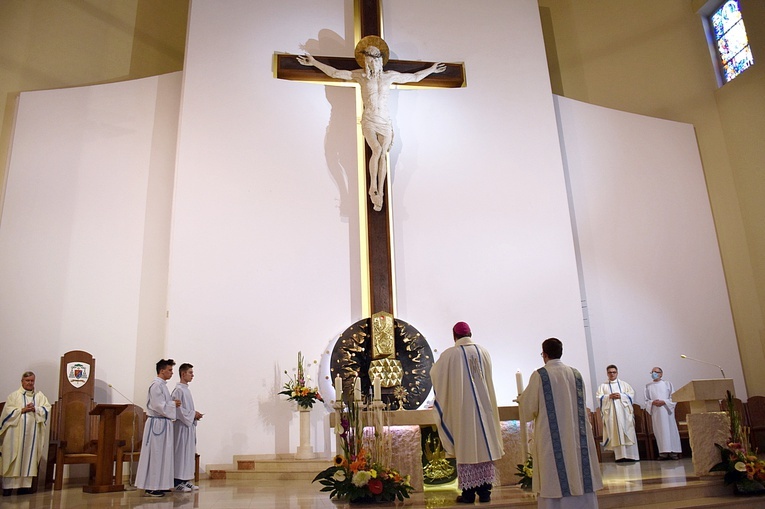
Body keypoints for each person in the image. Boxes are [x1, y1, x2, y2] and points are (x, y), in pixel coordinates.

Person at [297, 36, 446, 212]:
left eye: (376, 60)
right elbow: (336, 73)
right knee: (376, 151)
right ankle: (372, 187)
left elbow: (413, 77)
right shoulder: (360, 76)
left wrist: (432, 70)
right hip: (369, 119)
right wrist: (314, 62)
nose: (374, 64)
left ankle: (379, 191)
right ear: (366, 62)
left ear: (381, 61)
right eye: (370, 60)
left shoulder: (389, 77)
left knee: (383, 154)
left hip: (385, 121)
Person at [519, 338, 602, 509]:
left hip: (551, 438)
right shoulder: (576, 374)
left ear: (545, 355)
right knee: (579, 471)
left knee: (554, 478)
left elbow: (529, 409)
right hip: (576, 435)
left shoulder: (540, 375)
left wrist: (521, 400)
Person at [430, 321, 503, 504]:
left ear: (454, 336)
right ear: (470, 333)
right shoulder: (483, 352)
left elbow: (435, 375)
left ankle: (469, 495)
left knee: (467, 447)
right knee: (484, 447)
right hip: (484, 411)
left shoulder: (449, 355)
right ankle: (485, 493)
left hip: (463, 412)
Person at [0, 371, 51, 497]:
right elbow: (7, 413)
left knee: (29, 458)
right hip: (14, 434)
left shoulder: (40, 396)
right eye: (27, 381)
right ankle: (8, 488)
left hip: (32, 436)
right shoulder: (14, 396)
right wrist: (22, 410)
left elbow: (46, 409)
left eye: (32, 381)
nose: (30, 383)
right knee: (12, 458)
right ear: (22, 381)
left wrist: (36, 409)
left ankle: (24, 487)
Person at [135, 359, 181, 497]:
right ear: (162, 370)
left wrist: (172, 404)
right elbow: (158, 405)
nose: (172, 373)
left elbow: (164, 404)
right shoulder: (155, 386)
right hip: (157, 424)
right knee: (156, 455)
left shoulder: (163, 386)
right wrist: (173, 404)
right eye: (170, 370)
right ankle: (152, 486)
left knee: (164, 455)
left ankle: (161, 484)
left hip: (164, 423)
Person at [596, 364, 639, 463]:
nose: (612, 374)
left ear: (617, 373)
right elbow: (599, 397)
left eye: (614, 372)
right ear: (607, 373)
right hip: (612, 415)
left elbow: (631, 395)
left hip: (624, 414)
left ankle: (631, 455)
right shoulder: (603, 386)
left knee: (628, 431)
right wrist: (608, 397)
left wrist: (621, 396)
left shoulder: (624, 384)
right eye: (610, 372)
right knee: (615, 432)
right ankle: (620, 456)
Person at [172, 363, 203, 492]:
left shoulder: (186, 390)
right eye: (190, 372)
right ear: (183, 374)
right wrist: (192, 414)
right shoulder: (178, 390)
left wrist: (194, 415)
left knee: (187, 453)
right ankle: (177, 482)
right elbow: (177, 410)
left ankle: (185, 480)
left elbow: (186, 409)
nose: (192, 375)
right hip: (181, 427)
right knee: (180, 454)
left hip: (188, 426)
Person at [644, 367, 682, 460]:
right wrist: (652, 402)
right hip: (656, 412)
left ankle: (673, 453)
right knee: (660, 432)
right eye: (652, 372)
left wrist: (664, 402)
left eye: (656, 372)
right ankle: (663, 453)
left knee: (670, 431)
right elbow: (646, 400)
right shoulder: (648, 386)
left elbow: (673, 398)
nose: (654, 373)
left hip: (667, 411)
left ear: (661, 374)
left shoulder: (667, 384)